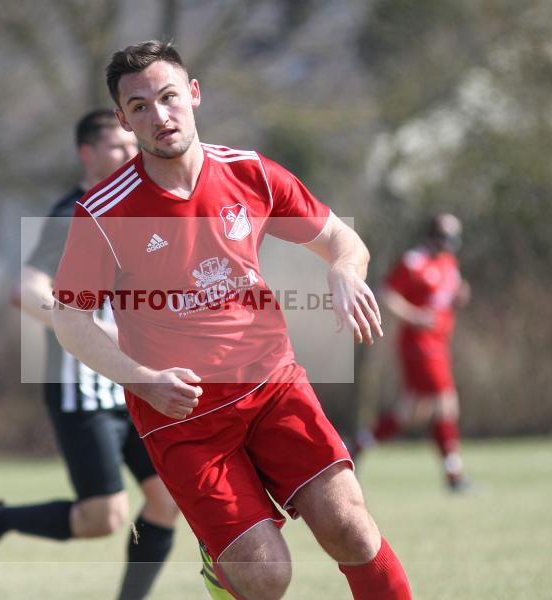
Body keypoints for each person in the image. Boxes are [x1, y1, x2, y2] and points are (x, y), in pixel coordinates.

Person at [50, 41, 412, 600]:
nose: (160, 115)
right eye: (140, 106)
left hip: (273, 386)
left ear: (193, 95)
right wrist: (142, 379)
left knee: (350, 527)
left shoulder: (250, 173)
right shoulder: (104, 211)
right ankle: (225, 568)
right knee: (267, 577)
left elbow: (342, 238)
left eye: (169, 97)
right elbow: (70, 319)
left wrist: (344, 269)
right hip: (182, 415)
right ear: (124, 120)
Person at [0, 109, 181, 600]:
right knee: (103, 517)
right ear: (87, 153)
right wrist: (98, 325)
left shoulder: (135, 207)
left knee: (166, 501)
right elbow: (25, 289)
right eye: (117, 148)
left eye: (133, 147)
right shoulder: (71, 215)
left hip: (133, 384)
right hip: (82, 389)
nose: (130, 155)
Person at [351, 214, 472, 491]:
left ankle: (356, 445)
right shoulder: (413, 262)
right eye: (447, 238)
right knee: (446, 403)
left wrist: (459, 299)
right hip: (420, 345)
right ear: (433, 236)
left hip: (440, 343)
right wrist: (413, 315)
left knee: (411, 412)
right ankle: (454, 474)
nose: (452, 244)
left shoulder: (448, 263)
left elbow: (445, 297)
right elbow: (386, 292)